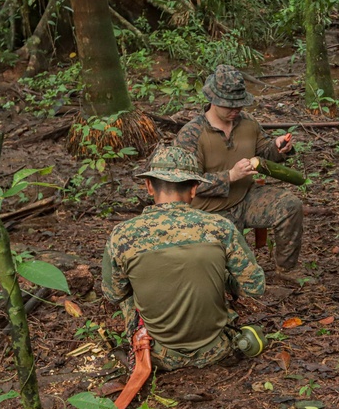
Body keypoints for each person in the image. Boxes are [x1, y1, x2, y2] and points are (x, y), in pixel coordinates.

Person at [102, 144, 267, 373]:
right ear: (193, 189)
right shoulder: (219, 227)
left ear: (149, 186)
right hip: (217, 348)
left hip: (158, 354)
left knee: (127, 293)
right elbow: (255, 286)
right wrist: (221, 276)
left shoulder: (123, 235)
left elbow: (113, 294)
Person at [175, 64, 304, 283]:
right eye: (229, 105)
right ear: (214, 99)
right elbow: (185, 183)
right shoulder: (192, 134)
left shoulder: (247, 123)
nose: (235, 110)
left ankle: (286, 270)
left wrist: (278, 147)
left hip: (246, 198)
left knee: (290, 206)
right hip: (211, 211)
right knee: (236, 276)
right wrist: (230, 176)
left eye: (239, 105)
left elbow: (264, 151)